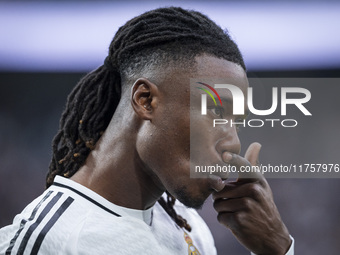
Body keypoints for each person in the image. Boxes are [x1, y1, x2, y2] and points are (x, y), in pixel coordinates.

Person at [0, 7, 294, 255]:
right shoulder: (53, 242)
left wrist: (277, 249)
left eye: (236, 122)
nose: (232, 142)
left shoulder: (189, 227)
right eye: (216, 112)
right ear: (145, 100)